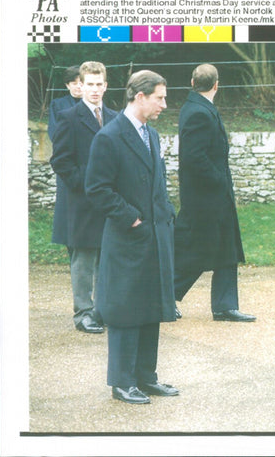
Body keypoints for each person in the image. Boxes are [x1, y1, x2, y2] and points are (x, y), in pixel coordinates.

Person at [85, 70, 179, 404]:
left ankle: (145, 376)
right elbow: (96, 188)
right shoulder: (109, 137)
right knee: (125, 310)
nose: (164, 105)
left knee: (150, 307)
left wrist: (165, 215)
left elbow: (157, 183)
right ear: (140, 97)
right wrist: (132, 219)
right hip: (127, 238)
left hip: (154, 237)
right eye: (159, 98)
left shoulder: (151, 135)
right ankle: (122, 381)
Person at [172, 64, 254, 322]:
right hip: (204, 199)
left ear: (192, 81)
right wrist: (218, 180)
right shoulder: (197, 111)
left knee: (226, 248)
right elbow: (193, 157)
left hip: (215, 196)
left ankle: (225, 305)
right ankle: (165, 296)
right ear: (217, 84)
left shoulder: (197, 107)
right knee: (195, 251)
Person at [50, 61, 118, 334]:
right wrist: (88, 184)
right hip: (80, 201)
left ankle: (102, 310)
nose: (94, 89)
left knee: (107, 256)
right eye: (89, 84)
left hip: (108, 201)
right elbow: (61, 162)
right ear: (80, 84)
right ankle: (83, 314)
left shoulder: (115, 117)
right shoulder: (69, 117)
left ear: (106, 85)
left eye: (99, 84)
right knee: (84, 259)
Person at [48, 66, 82, 250]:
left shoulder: (94, 106)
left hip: (88, 164)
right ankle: (71, 246)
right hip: (68, 164)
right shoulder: (58, 105)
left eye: (80, 83)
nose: (78, 87)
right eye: (73, 83)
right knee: (68, 212)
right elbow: (55, 133)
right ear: (67, 85)